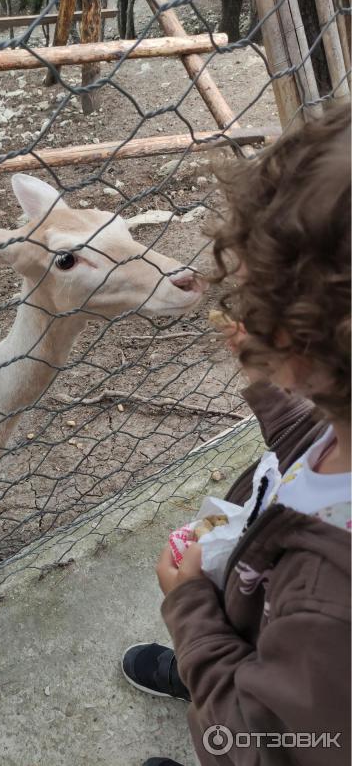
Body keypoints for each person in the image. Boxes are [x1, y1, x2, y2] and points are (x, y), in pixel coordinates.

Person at [121, 102, 351, 766]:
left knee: (242, 723)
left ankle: (218, 675)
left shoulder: (329, 611)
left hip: (281, 724)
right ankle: (225, 666)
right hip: (295, 663)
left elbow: (261, 748)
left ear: (297, 352)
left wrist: (191, 606)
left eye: (256, 303)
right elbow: (313, 440)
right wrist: (268, 382)